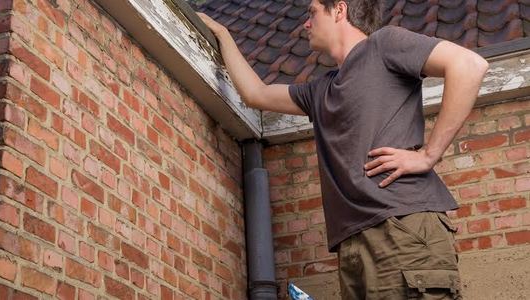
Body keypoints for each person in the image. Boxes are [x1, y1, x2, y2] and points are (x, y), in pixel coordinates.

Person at [198, 0, 488, 299]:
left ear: (339, 9)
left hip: (403, 229)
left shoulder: (384, 44)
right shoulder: (320, 90)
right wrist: (222, 33)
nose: (305, 24)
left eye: (312, 13)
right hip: (353, 244)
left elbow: (468, 65)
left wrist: (429, 154)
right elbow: (255, 93)